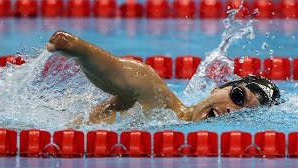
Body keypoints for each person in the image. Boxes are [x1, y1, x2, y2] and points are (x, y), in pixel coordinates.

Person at [46, 30, 280, 124]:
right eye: (238, 96)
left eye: (245, 113)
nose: (233, 110)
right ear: (217, 88)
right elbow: (134, 76)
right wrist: (79, 49)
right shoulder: (165, 107)